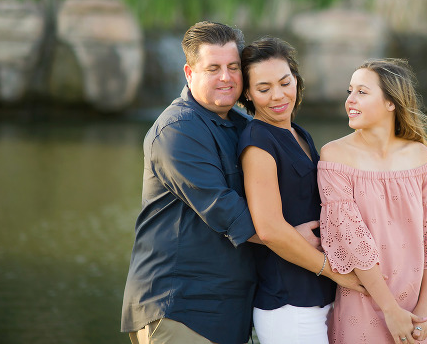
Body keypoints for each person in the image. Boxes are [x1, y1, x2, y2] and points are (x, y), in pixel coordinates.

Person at [121, 22, 318, 344]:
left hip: (233, 310)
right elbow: (226, 211)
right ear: (189, 72)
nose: (226, 77)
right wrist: (294, 242)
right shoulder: (177, 131)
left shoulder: (247, 126)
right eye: (213, 68)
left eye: (233, 67)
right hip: (181, 308)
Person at [237, 37, 366, 344]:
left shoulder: (298, 132)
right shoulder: (258, 141)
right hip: (288, 305)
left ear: (296, 78)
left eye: (285, 82)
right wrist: (336, 273)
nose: (278, 96)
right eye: (264, 88)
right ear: (248, 93)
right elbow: (268, 229)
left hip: (320, 296)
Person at [318, 58, 427, 344]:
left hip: (413, 307)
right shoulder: (335, 156)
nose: (350, 100)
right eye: (349, 91)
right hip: (363, 299)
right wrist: (389, 309)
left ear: (392, 103)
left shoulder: (419, 155)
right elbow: (352, 241)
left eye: (362, 92)